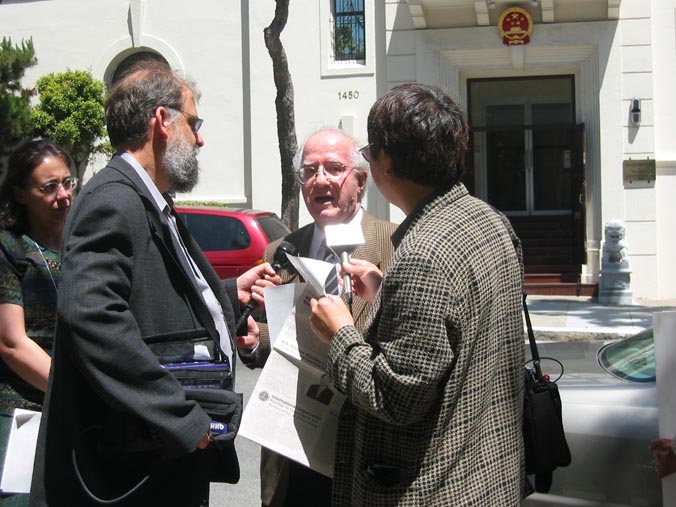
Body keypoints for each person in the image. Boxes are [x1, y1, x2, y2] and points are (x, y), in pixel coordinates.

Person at [29, 60, 279, 507]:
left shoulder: (148, 198)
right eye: (194, 123)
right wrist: (180, 417)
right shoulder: (113, 200)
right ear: (162, 120)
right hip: (131, 471)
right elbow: (92, 318)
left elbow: (152, 299)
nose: (199, 139)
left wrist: (226, 294)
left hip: (159, 460)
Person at [309, 83, 527, 506]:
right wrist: (387, 292)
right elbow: (459, 323)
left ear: (386, 161)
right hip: (491, 479)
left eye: (369, 152)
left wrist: (341, 335)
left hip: (437, 489)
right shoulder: (489, 219)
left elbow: (393, 398)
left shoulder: (423, 254)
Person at [241, 127, 397, 507]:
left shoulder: (397, 244)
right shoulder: (281, 251)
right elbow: (287, 338)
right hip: (294, 448)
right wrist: (256, 340)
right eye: (310, 171)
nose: (320, 180)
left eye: (334, 168)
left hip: (364, 449)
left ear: (360, 181)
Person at [0, 139, 75, 506]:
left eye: (68, 182)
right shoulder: (9, 248)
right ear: (20, 194)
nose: (63, 195)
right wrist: (73, 390)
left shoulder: (83, 246)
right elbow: (12, 344)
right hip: (23, 414)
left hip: (78, 412)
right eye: (49, 187)